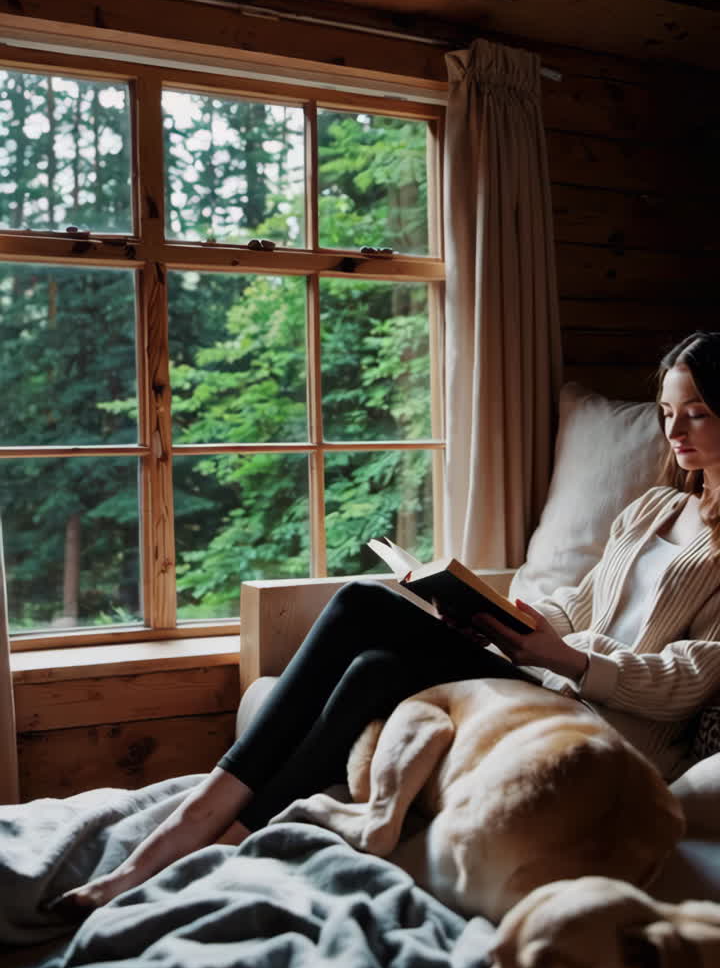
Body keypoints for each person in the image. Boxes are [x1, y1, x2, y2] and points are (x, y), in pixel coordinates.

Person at [55, 330, 720, 917]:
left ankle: (195, 823)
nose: (674, 430)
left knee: (362, 605)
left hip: (606, 729)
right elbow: (579, 605)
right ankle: (232, 835)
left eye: (695, 412)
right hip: (548, 682)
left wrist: (567, 658)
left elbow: (691, 677)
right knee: (376, 667)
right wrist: (507, 622)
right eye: (666, 412)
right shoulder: (652, 507)